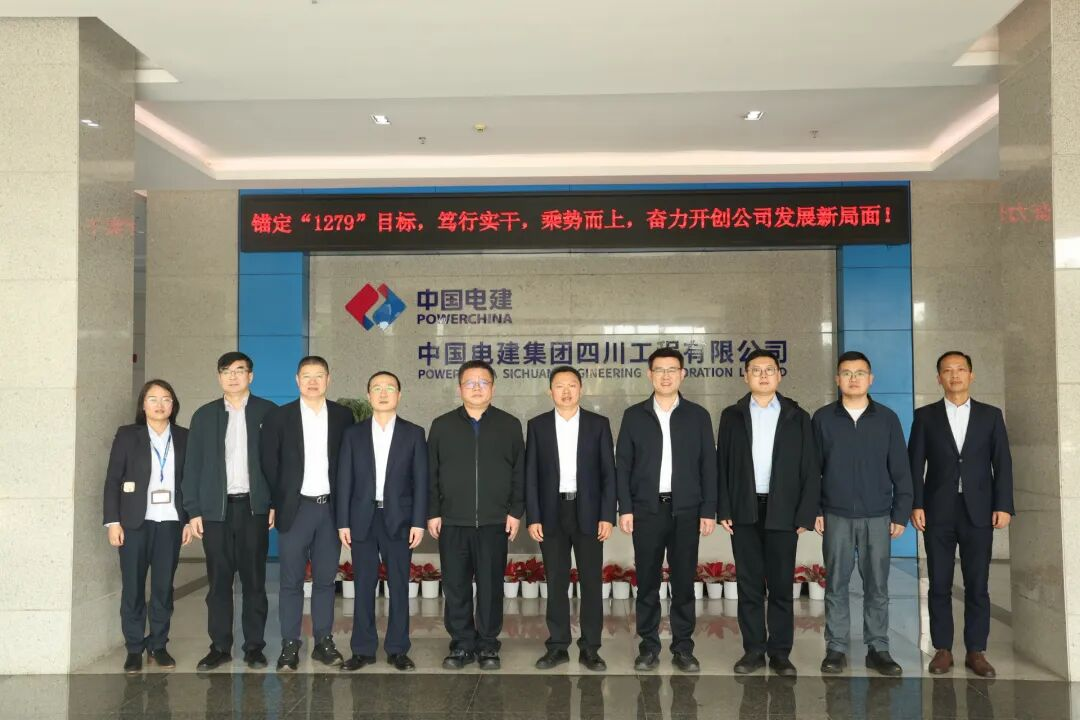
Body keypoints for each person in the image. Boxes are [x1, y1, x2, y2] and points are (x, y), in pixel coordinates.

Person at [909, 351, 1014, 678]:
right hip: (937, 510)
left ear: (971, 375)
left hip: (978, 510)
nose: (954, 375)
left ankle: (976, 651)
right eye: (947, 371)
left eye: (960, 369)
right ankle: (942, 649)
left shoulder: (990, 416)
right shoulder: (925, 416)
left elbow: (1002, 463)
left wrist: (1003, 505)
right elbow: (914, 464)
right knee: (939, 582)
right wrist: (915, 504)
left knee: (977, 584)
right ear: (938, 378)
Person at [717, 349, 819, 677]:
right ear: (745, 376)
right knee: (748, 585)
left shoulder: (797, 416)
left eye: (769, 369)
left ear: (779, 375)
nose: (763, 375)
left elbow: (810, 467)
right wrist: (724, 508)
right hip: (744, 510)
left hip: (783, 512)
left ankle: (780, 653)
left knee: (780, 586)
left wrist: (805, 514)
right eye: (756, 370)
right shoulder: (731, 416)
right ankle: (753, 651)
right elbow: (722, 465)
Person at [616, 347, 717, 673]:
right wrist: (625, 508)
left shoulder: (698, 416)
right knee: (647, 582)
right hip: (647, 510)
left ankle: (683, 647)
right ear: (650, 374)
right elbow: (623, 466)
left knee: (684, 582)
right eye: (659, 370)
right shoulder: (634, 415)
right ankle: (648, 647)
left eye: (672, 369)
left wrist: (708, 509)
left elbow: (708, 465)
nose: (666, 375)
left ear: (682, 374)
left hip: (686, 510)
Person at [813, 350, 912, 676]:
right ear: (837, 379)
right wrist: (816, 509)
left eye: (859, 373)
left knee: (877, 585)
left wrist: (900, 513)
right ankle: (836, 647)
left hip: (878, 515)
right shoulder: (823, 419)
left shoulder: (887, 419)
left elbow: (901, 469)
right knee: (836, 584)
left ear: (871, 379)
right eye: (846, 373)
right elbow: (812, 470)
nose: (853, 379)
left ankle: (878, 647)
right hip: (836, 514)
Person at [182, 351, 277, 670]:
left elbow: (278, 464)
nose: (233, 376)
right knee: (219, 582)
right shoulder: (204, 415)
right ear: (219, 376)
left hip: (253, 509)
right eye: (226, 371)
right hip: (215, 512)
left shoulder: (268, 412)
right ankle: (220, 647)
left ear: (251, 375)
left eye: (239, 370)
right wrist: (194, 510)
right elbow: (192, 466)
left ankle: (254, 647)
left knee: (254, 582)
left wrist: (273, 502)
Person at [427, 360, 525, 670]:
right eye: (470, 382)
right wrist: (433, 512)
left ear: (493, 388)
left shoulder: (510, 425)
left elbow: (520, 473)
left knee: (490, 586)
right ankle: (461, 644)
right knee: (455, 585)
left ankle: (488, 645)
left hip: (495, 522)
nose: (477, 387)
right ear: (460, 388)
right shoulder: (442, 425)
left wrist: (515, 511)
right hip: (453, 520)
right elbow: (431, 473)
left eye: (484, 382)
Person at [260, 356, 354, 671]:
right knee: (291, 581)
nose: (313, 382)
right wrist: (275, 502)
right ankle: (290, 644)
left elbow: (349, 463)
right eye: (306, 376)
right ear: (297, 380)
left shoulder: (343, 416)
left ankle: (324, 641)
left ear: (328, 379)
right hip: (295, 509)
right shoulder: (279, 417)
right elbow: (269, 463)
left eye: (319, 375)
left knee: (326, 580)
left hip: (330, 510)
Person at [525, 366, 616, 672]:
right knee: (556, 581)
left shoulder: (598, 424)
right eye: (560, 386)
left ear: (581, 389)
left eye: (572, 385)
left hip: (588, 512)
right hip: (551, 512)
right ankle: (558, 646)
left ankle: (590, 648)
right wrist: (533, 517)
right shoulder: (537, 426)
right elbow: (531, 476)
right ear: (550, 391)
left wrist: (607, 515)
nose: (566, 391)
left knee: (591, 581)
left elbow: (609, 473)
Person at [337, 370, 428, 672]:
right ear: (368, 395)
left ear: (399, 395)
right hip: (362, 518)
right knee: (363, 584)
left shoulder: (413, 433)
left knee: (399, 586)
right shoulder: (353, 434)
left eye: (390, 388)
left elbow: (421, 481)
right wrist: (343, 522)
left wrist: (418, 522)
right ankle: (362, 649)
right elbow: (344, 479)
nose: (383, 393)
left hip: (400, 519)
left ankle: (398, 649)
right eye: (377, 388)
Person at [103, 379, 193, 673]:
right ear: (143, 404)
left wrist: (189, 518)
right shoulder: (128, 435)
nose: (159, 404)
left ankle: (158, 645)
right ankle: (134, 648)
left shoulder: (184, 436)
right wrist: (113, 522)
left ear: (173, 405)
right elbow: (113, 479)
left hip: (170, 522)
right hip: (134, 524)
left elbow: (190, 481)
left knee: (163, 588)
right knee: (133, 587)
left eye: (166, 399)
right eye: (153, 399)